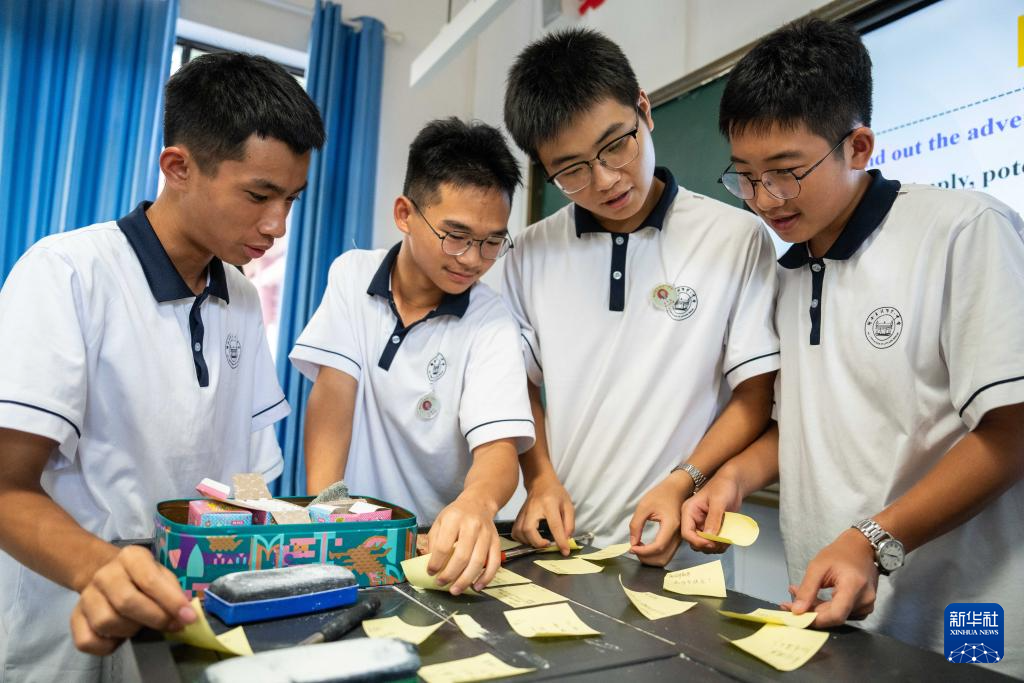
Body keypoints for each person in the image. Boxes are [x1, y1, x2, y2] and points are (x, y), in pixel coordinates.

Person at [680, 18, 1024, 675]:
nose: (763, 200)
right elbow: (803, 426)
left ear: (858, 146)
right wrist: (730, 479)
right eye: (745, 177)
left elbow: (1011, 432)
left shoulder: (963, 232)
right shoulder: (787, 273)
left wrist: (872, 538)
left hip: (966, 613)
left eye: (786, 173)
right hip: (835, 615)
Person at [0, 52, 324, 681]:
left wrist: (274, 541)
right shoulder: (69, 273)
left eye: (291, 199)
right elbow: (6, 488)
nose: (277, 225)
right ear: (178, 168)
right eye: (259, 195)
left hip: (191, 620)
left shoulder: (240, 295)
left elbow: (246, 472)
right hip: (69, 621)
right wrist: (102, 569)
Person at [501, 28, 779, 565]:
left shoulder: (733, 237)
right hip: (560, 545)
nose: (605, 180)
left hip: (681, 548)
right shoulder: (529, 253)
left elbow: (754, 398)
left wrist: (684, 480)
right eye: (572, 171)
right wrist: (540, 480)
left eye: (615, 145)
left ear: (644, 111)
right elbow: (521, 388)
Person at [290, 118, 534, 596]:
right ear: (404, 214)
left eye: (492, 242)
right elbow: (333, 396)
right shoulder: (352, 275)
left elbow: (499, 450)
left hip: (442, 547)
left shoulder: (490, 320)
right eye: (456, 235)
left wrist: (477, 505)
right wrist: (327, 510)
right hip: (357, 530)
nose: (473, 259)